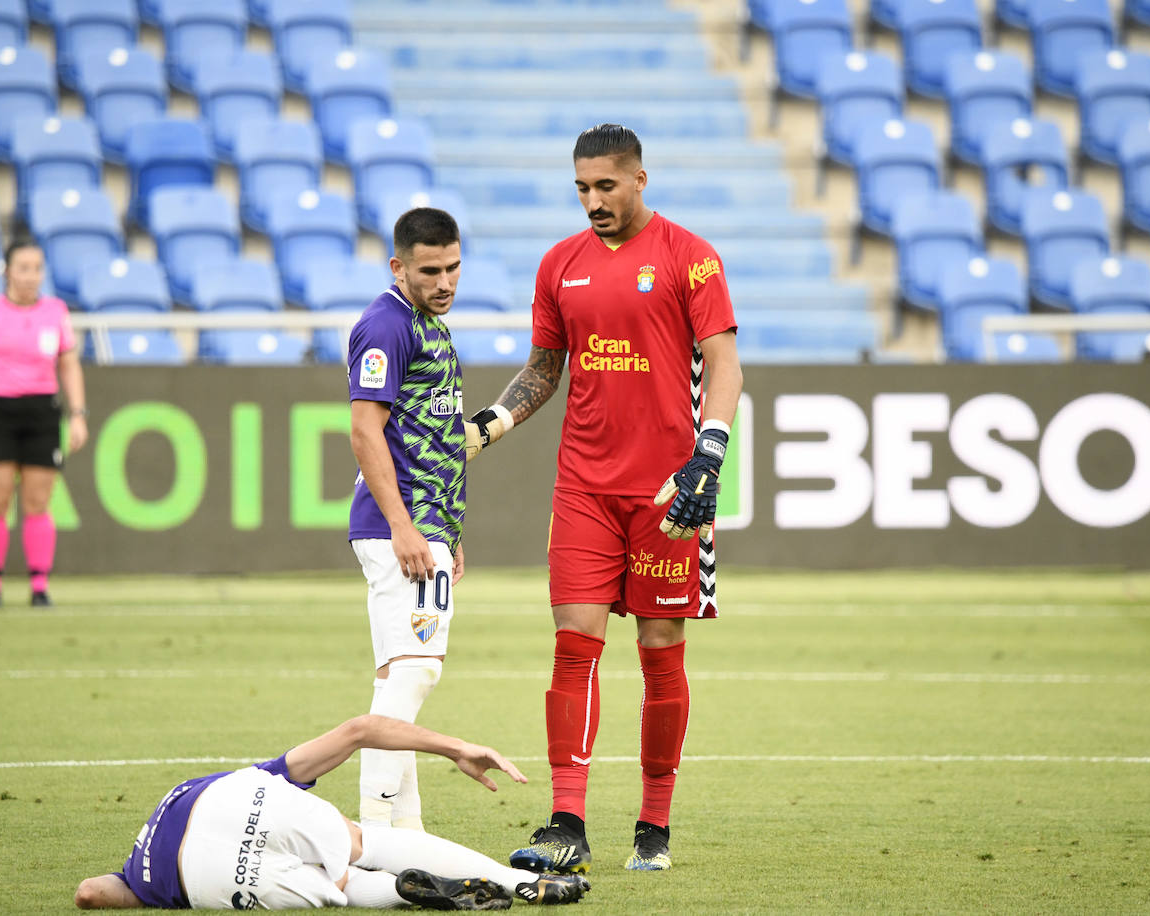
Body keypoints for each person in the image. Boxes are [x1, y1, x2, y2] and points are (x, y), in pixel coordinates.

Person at [464, 124, 743, 873]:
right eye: (582, 189)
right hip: (583, 486)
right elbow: (545, 368)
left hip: (667, 492)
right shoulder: (559, 264)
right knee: (573, 645)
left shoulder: (691, 257)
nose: (593, 201)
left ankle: (654, 824)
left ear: (639, 180)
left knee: (660, 650)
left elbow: (725, 364)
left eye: (606, 187)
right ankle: (567, 824)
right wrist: (489, 425)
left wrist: (708, 452)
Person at [72, 714, 591, 909]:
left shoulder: (138, 874)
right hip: (234, 800)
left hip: (198, 880)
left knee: (334, 884)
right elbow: (359, 731)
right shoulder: (238, 780)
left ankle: (402, 892)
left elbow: (90, 893)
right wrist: (455, 747)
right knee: (367, 844)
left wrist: (139, 887)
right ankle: (513, 881)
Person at [347, 208, 467, 834]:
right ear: (398, 266)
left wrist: (448, 531)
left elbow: (432, 434)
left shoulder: (426, 323)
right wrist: (406, 527)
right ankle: (369, 828)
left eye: (452, 267)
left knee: (400, 673)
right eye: (430, 270)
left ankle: (407, 832)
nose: (445, 281)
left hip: (426, 526)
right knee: (418, 671)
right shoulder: (385, 325)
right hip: (398, 528)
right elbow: (365, 429)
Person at [0, 238, 88, 608]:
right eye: (23, 268)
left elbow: (69, 365)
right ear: (7, 271)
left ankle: (39, 584)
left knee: (38, 500)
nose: (31, 276)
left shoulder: (56, 311)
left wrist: (77, 414)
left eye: (37, 269)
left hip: (42, 411)